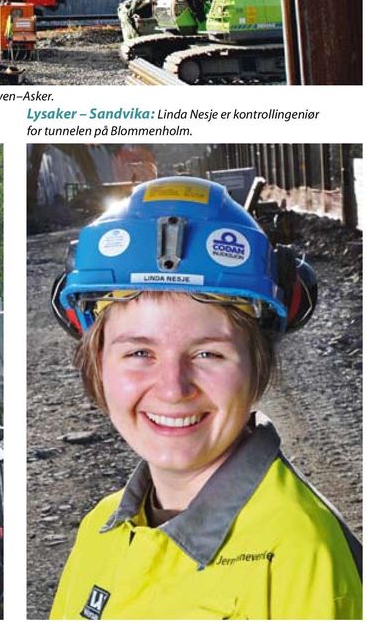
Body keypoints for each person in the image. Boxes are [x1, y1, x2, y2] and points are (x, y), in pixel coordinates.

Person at [48, 176, 362, 620]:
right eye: (140, 352)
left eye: (208, 353)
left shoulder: (300, 556)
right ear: (97, 363)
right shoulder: (100, 531)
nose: (173, 387)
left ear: (258, 366)